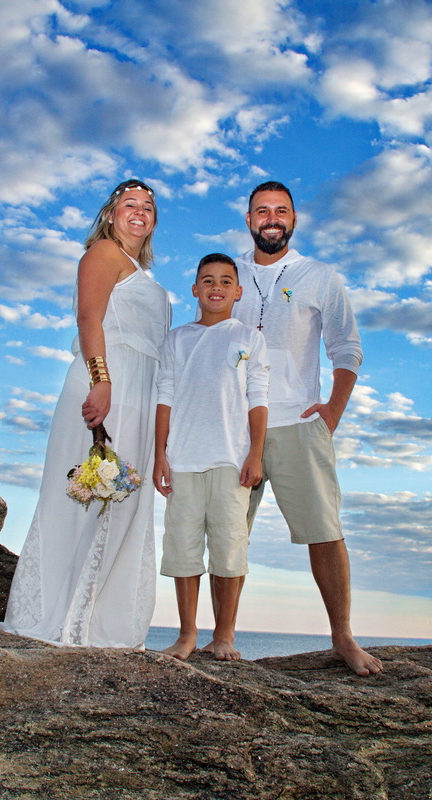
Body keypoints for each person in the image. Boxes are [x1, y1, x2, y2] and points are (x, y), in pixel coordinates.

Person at [0, 179, 171, 648]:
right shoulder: (101, 254)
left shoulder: (141, 271)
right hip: (108, 382)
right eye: (129, 205)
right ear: (111, 213)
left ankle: (98, 625)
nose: (139, 213)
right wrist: (101, 380)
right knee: (82, 496)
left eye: (148, 208)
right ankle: (55, 617)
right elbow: (88, 319)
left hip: (140, 389)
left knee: (123, 499)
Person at [231, 181, 384, 676]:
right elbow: (209, 347)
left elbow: (347, 347)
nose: (271, 218)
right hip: (235, 427)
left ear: (293, 220)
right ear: (249, 218)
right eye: (262, 211)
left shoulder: (319, 276)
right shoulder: (228, 275)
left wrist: (333, 411)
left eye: (281, 211)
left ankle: (342, 637)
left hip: (298, 422)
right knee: (229, 532)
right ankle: (223, 638)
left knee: (325, 532)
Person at [152, 254, 269, 662]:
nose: (216, 287)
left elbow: (258, 399)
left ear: (238, 292)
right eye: (207, 280)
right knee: (183, 549)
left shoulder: (249, 338)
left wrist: (255, 453)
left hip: (231, 460)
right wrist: (159, 455)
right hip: (182, 458)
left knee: (229, 548)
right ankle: (187, 634)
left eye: (225, 281)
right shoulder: (177, 338)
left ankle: (225, 635)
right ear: (195, 290)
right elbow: (164, 396)